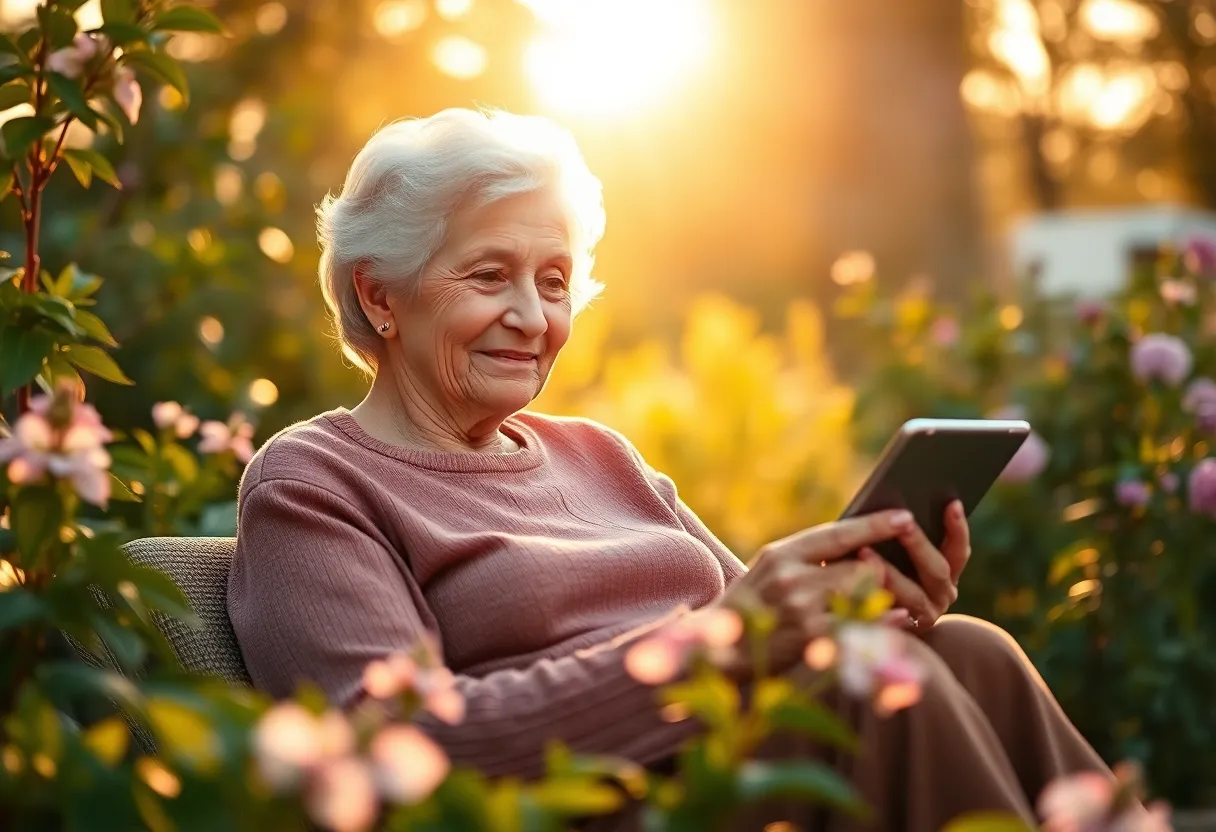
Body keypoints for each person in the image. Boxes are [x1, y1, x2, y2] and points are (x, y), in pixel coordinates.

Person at [228, 108, 1111, 831]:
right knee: (886, 698)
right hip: (614, 807)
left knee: (969, 651)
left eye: (554, 281)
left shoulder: (599, 455)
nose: (532, 317)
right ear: (380, 293)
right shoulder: (314, 483)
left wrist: (864, 598)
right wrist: (720, 644)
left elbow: (767, 636)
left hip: (740, 767)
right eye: (490, 275)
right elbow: (401, 749)